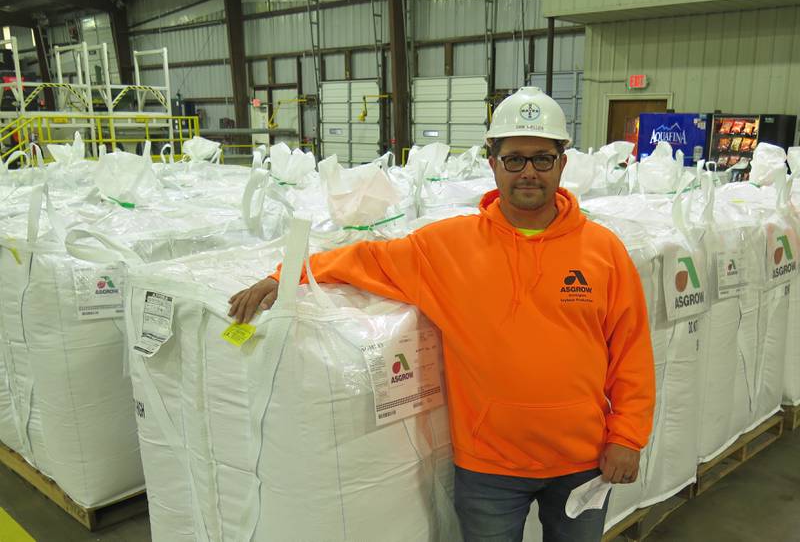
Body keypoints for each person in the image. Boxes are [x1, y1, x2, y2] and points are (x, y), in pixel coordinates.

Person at [228, 86, 656, 542]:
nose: (528, 172)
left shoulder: (603, 250)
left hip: (583, 462)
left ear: (562, 164)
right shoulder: (446, 247)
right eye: (514, 159)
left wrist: (627, 438)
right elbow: (365, 259)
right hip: (489, 468)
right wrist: (285, 275)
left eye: (541, 158)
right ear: (492, 163)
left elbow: (630, 350)